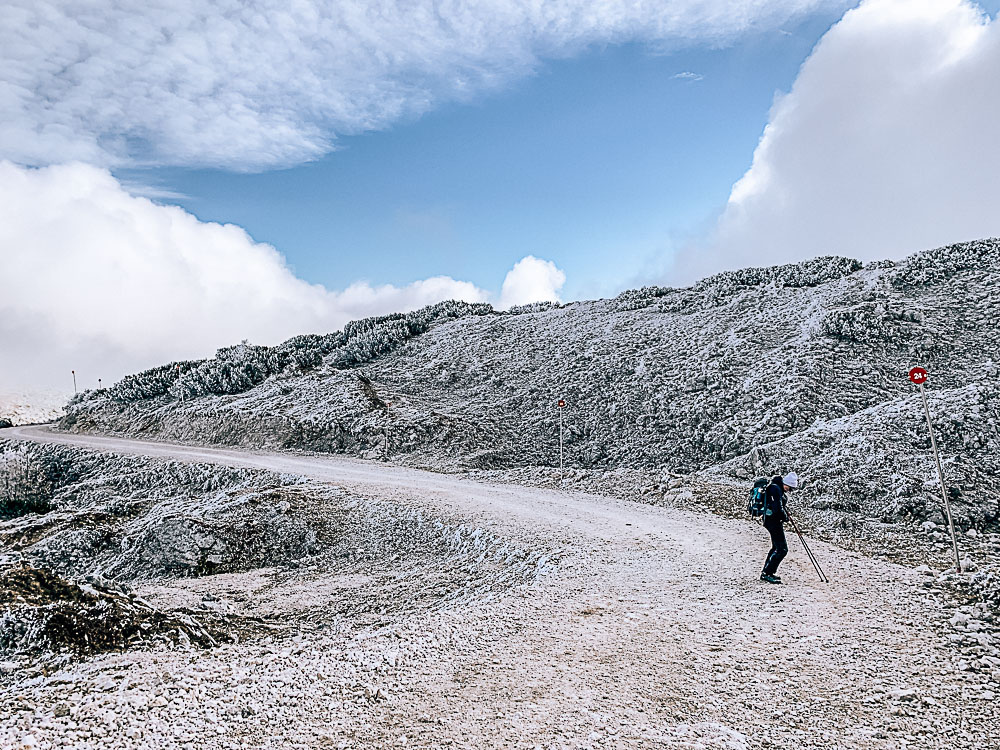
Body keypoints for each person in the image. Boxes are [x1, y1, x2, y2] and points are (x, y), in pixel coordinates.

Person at [760, 472, 798, 584]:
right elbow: (777, 509)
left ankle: (767, 572)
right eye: (789, 488)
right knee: (782, 549)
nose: (789, 490)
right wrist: (785, 517)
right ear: (785, 483)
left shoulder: (775, 488)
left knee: (776, 547)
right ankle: (767, 573)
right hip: (773, 522)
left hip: (770, 521)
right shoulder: (776, 489)